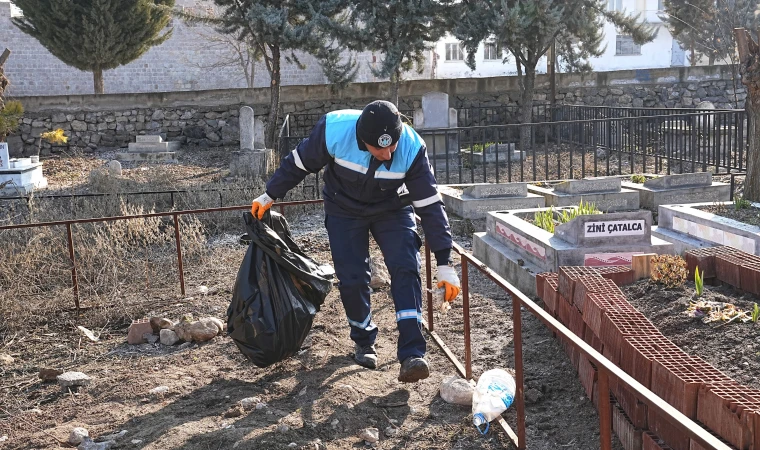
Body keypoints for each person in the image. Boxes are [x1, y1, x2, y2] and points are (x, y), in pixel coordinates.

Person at [251, 100, 460, 383]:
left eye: (392, 146)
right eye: (379, 148)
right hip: (343, 208)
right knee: (352, 277)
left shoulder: (411, 148)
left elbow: (430, 205)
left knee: (406, 265)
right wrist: (270, 195)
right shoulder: (334, 130)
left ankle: (412, 353)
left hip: (393, 208)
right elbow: (298, 163)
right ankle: (364, 340)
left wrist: (445, 262)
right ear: (363, 141)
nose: (387, 154)